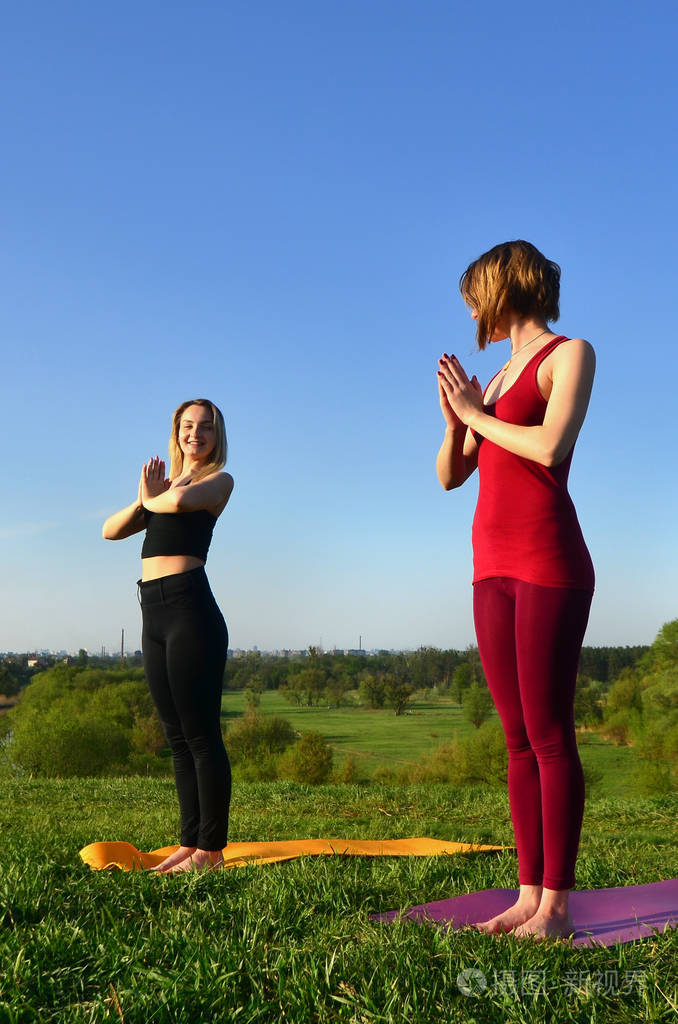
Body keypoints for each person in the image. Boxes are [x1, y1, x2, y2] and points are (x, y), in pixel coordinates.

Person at [436, 240, 595, 939]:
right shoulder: (494, 382)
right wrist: (456, 421)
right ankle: (527, 897)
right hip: (490, 568)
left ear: (506, 287)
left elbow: (550, 448)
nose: (473, 308)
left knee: (551, 733)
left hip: (548, 562)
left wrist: (476, 416)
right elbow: (450, 476)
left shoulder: (570, 354)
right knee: (516, 741)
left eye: (477, 292)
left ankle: (556, 907)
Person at [103, 399, 234, 873]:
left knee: (201, 735)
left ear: (217, 436)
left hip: (189, 609)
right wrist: (143, 499)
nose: (194, 434)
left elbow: (177, 504)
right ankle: (189, 841)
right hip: (152, 612)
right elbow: (108, 531)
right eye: (186, 426)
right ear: (175, 431)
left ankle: (211, 849)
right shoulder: (162, 489)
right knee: (176, 737)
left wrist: (153, 496)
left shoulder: (218, 480)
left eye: (204, 427)